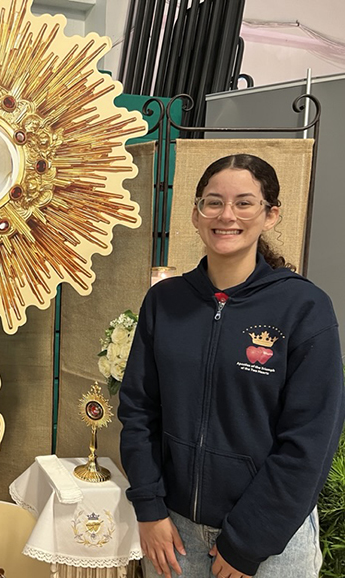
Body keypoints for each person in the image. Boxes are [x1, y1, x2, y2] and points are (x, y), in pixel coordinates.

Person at [119, 154, 345, 578]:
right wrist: (149, 508)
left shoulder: (304, 308)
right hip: (174, 533)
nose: (227, 215)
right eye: (213, 202)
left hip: (271, 540)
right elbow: (138, 412)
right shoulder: (165, 303)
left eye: (244, 203)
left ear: (271, 214)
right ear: (196, 212)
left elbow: (310, 441)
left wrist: (248, 541)